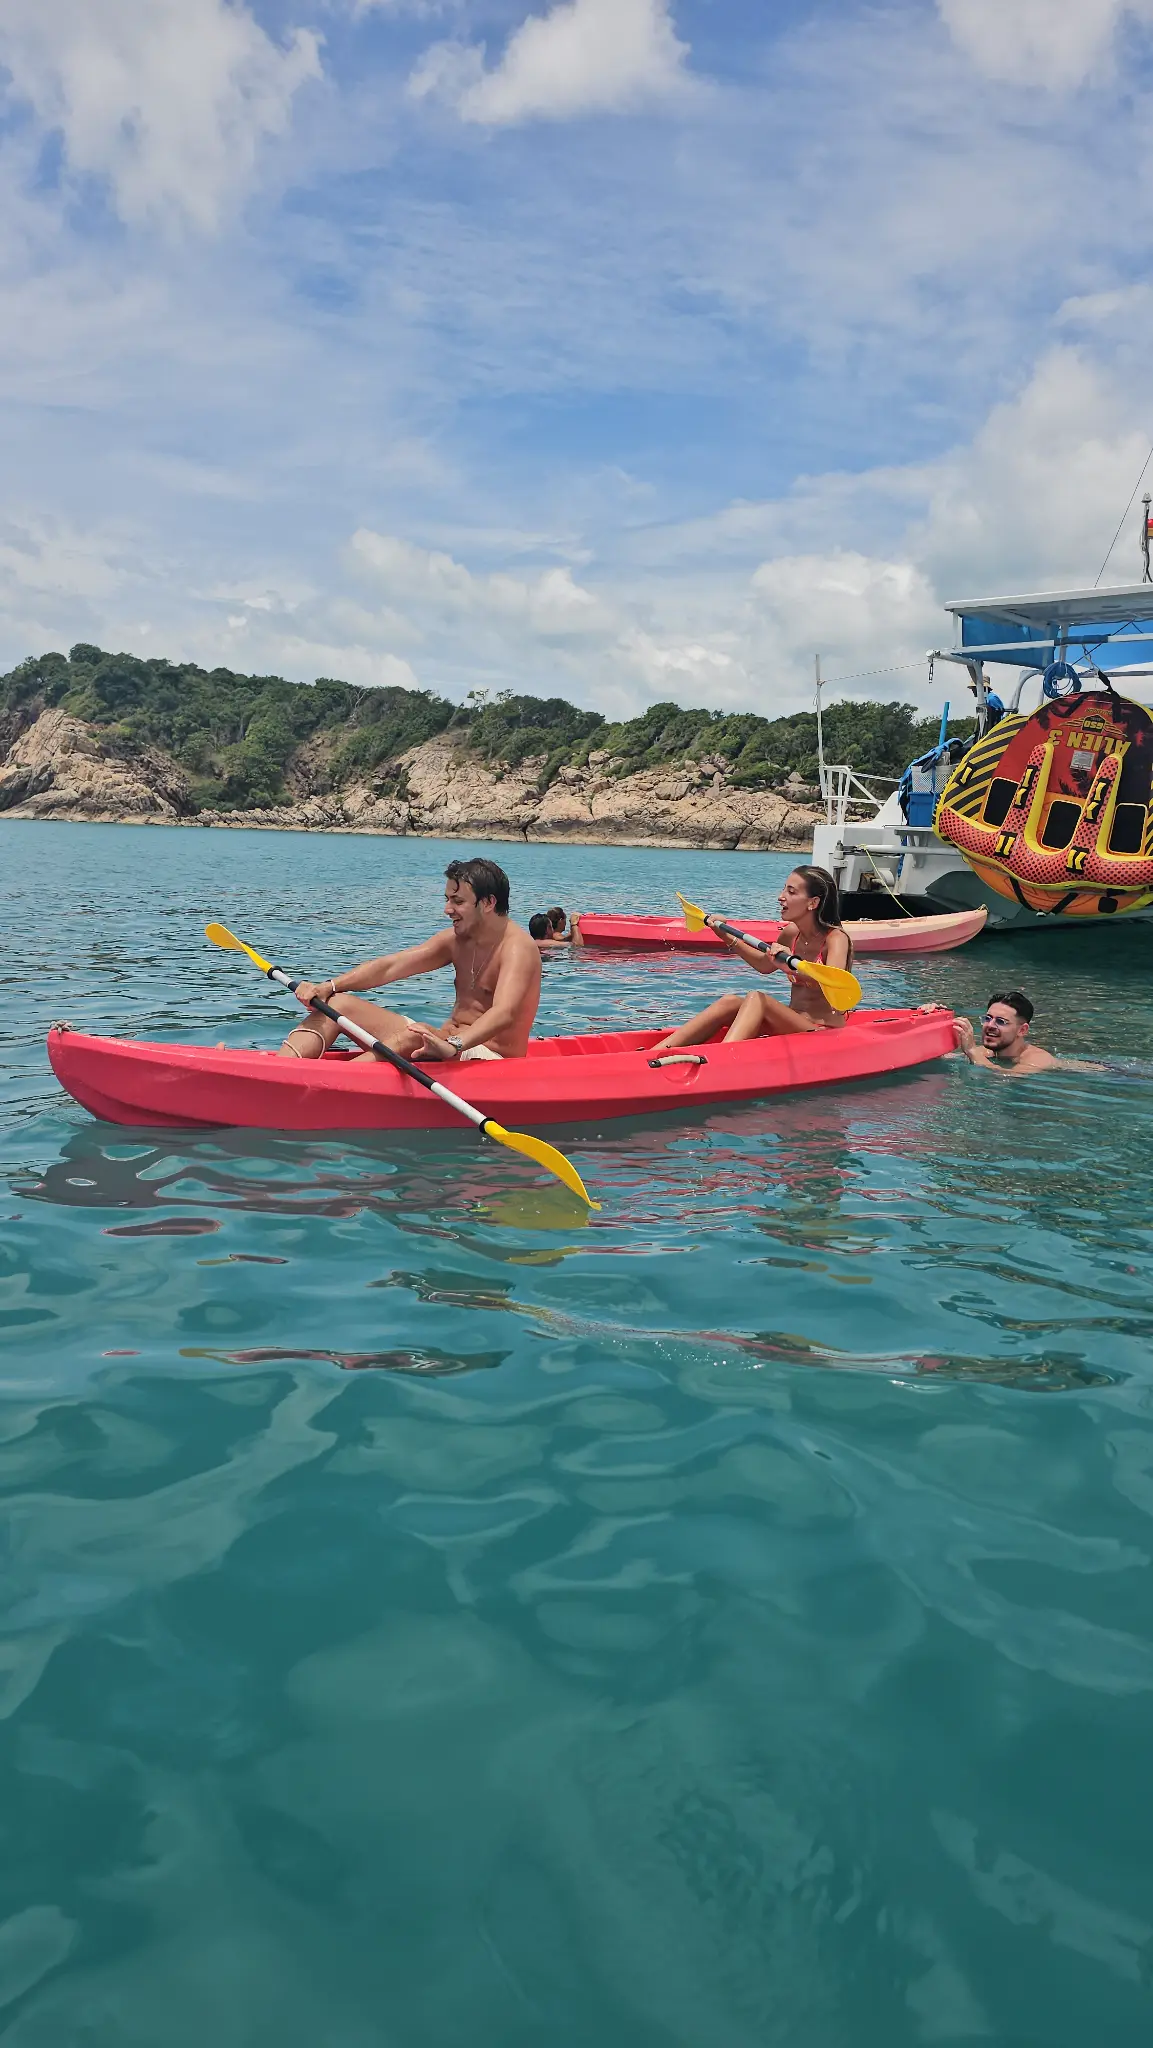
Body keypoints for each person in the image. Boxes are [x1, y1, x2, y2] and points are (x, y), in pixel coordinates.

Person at [279, 856, 541, 1064]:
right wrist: (329, 986)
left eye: (457, 901)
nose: (447, 909)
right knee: (338, 1004)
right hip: (448, 1043)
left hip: (490, 1059)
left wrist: (454, 1045)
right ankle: (284, 1069)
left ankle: (334, 1084)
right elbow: (391, 967)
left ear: (487, 903)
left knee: (416, 1035)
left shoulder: (517, 948)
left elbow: (503, 1013)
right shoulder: (456, 940)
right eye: (447, 899)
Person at [651, 866, 853, 1050]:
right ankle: (656, 1054)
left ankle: (721, 1058)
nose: (780, 897)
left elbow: (835, 984)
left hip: (822, 1031)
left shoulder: (835, 938)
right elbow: (764, 965)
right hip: (791, 1023)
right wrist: (724, 935)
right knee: (729, 1002)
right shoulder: (792, 933)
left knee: (758, 998)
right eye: (784, 889)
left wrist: (790, 966)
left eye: (791, 892)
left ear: (813, 902)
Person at [951, 991, 1056, 1073]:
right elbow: (941, 1057)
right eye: (988, 1018)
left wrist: (971, 1051)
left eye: (1000, 1021)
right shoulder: (985, 1053)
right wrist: (936, 1017)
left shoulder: (1038, 1059)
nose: (990, 1025)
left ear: (1022, 1030)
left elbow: (1005, 1077)